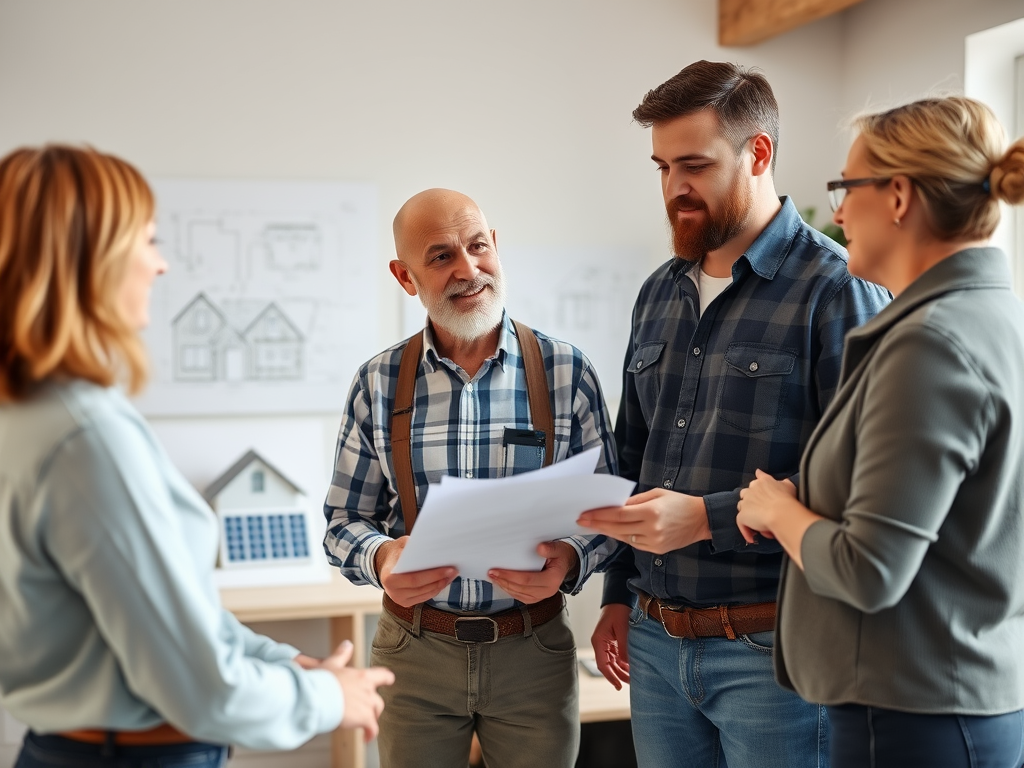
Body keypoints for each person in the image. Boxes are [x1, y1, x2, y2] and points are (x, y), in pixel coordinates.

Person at [0, 145, 395, 768]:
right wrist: (324, 696)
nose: (160, 266)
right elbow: (201, 685)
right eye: (148, 240)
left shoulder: (26, 417)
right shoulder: (88, 440)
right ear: (89, 259)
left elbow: (164, 617)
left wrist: (280, 664)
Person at [576, 61, 891, 767]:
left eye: (694, 165)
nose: (673, 188)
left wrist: (706, 516)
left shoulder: (839, 291)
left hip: (772, 651)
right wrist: (617, 596)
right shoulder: (659, 292)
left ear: (758, 153)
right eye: (661, 167)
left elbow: (864, 488)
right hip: (654, 646)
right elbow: (634, 457)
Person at [735, 97, 1024, 768]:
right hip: (962, 702)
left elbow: (869, 571)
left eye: (845, 188)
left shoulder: (932, 344)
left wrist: (782, 513)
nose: (836, 213)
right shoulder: (995, 318)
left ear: (898, 196)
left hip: (910, 720)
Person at [323, 188, 620, 768]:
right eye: (440, 257)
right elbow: (341, 523)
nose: (468, 269)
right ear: (405, 277)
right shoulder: (378, 383)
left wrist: (569, 557)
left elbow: (607, 513)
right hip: (413, 650)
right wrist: (382, 558)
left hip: (533, 649)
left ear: (495, 246)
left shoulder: (565, 370)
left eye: (477, 246)